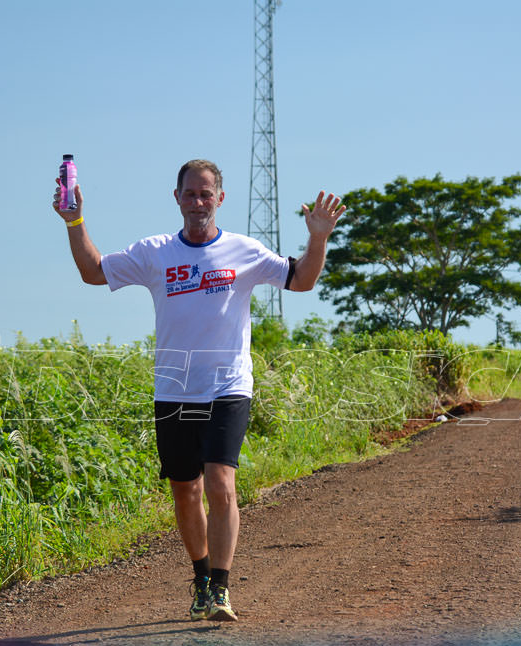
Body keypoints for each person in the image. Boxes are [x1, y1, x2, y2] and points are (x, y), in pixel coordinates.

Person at [52, 159, 345, 622]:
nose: (198, 202)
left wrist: (318, 237)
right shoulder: (155, 253)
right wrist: (75, 222)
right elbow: (93, 271)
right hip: (174, 391)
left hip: (227, 387)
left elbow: (302, 281)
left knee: (220, 482)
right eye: (190, 194)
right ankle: (202, 578)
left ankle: (223, 590)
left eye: (206, 194)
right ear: (177, 198)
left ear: (220, 199)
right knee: (185, 492)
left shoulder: (243, 251)